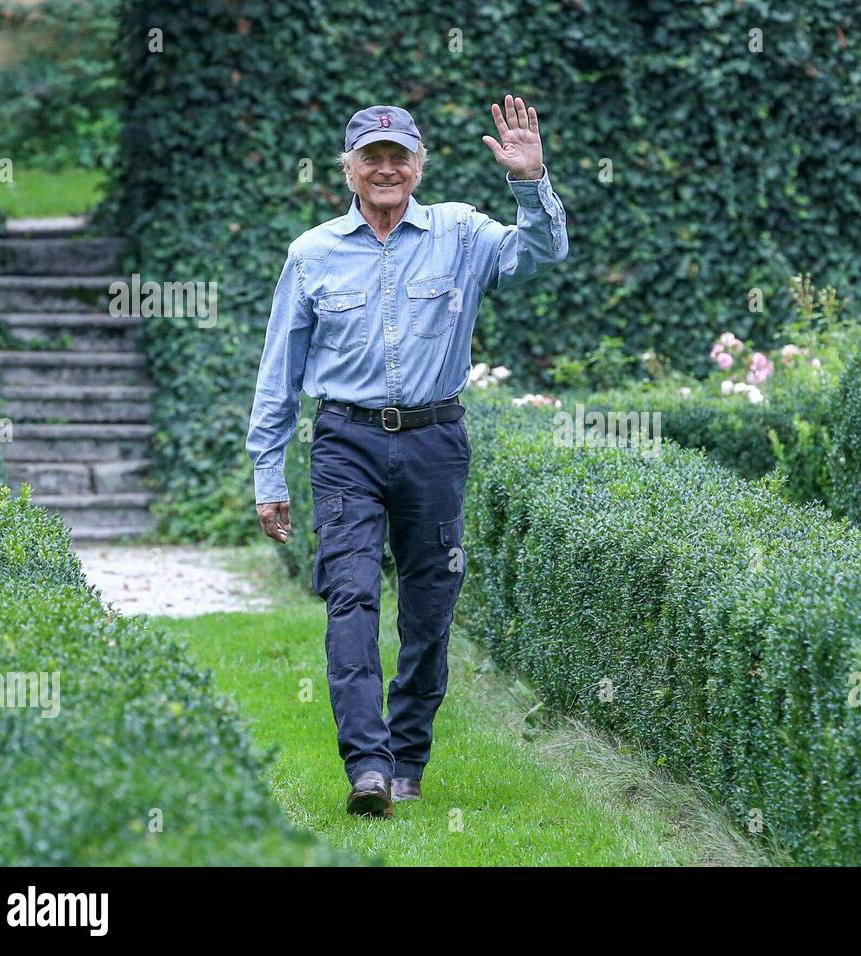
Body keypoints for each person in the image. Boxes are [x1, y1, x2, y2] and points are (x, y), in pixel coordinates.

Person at [245, 96, 568, 816]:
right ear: (351, 170)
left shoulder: (459, 232)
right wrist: (270, 473)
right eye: (373, 158)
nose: (386, 169)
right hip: (345, 443)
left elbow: (543, 254)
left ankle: (407, 757)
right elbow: (280, 372)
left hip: (433, 442)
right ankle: (366, 764)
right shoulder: (312, 254)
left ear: (418, 166)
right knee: (351, 596)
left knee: (428, 606)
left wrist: (530, 179)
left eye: (399, 157)